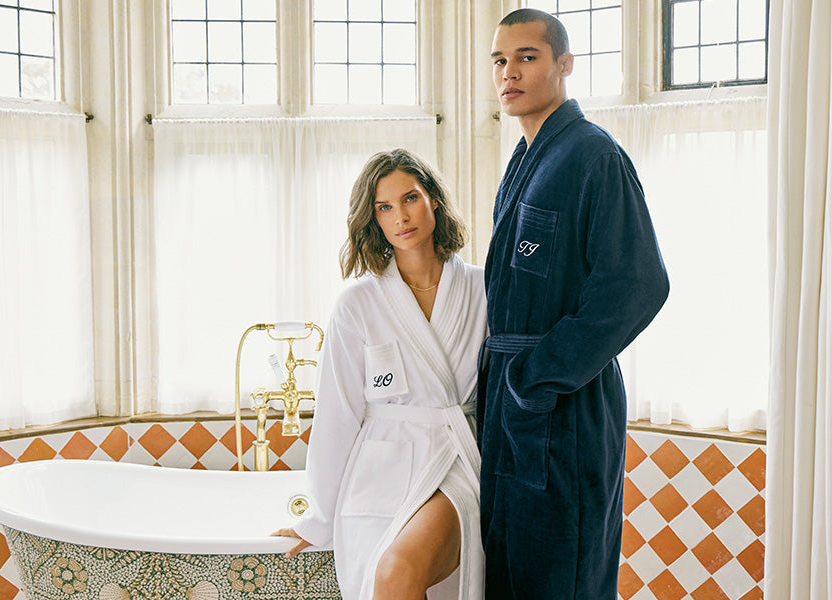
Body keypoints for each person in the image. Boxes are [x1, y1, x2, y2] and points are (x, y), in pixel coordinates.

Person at [478, 8, 670, 599]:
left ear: (564, 65)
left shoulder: (592, 155)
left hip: (563, 407)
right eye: (500, 61)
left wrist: (536, 376)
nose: (509, 72)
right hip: (515, 407)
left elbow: (638, 284)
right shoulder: (525, 159)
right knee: (512, 575)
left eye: (527, 58)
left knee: (565, 574)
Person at [272, 148, 487, 600]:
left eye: (409, 198)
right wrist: (318, 519)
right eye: (384, 207)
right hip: (377, 473)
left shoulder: (481, 289)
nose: (400, 217)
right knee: (381, 580)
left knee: (396, 571)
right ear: (372, 220)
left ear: (433, 199)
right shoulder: (358, 304)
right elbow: (338, 417)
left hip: (451, 459)